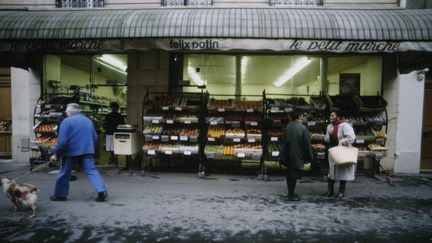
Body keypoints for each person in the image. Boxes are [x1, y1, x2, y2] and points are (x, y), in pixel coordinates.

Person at [50, 103, 108, 202]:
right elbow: (95, 137)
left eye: (66, 111)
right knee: (91, 171)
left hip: (71, 152)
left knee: (64, 173)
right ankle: (102, 191)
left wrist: (56, 154)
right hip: (87, 151)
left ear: (70, 112)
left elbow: (62, 141)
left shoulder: (67, 121)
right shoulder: (88, 121)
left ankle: (60, 195)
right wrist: (88, 147)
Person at [279, 110, 314, 201]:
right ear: (299, 116)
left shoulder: (288, 126)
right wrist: (310, 157)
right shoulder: (303, 128)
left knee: (289, 173)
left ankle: (290, 192)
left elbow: (283, 140)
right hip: (298, 153)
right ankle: (291, 194)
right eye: (302, 115)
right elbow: (307, 143)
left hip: (288, 154)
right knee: (294, 173)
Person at [323, 111, 356, 200]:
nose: (330, 117)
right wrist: (324, 138)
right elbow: (327, 138)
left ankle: (341, 191)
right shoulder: (329, 126)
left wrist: (342, 141)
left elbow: (351, 137)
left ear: (338, 117)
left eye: (332, 115)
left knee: (342, 170)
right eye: (330, 115)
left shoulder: (345, 125)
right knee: (331, 170)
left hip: (343, 150)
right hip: (333, 150)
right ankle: (330, 191)